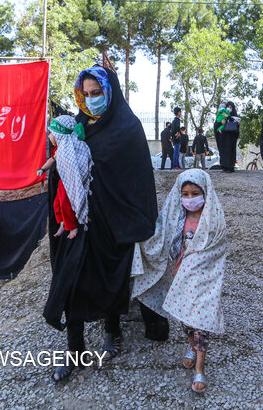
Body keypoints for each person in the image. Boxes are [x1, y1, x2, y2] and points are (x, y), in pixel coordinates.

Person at [43, 65, 159, 382]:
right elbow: (64, 162)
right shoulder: (78, 125)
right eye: (87, 94)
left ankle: (112, 330)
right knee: (70, 280)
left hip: (110, 221)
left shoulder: (128, 127)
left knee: (109, 279)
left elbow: (136, 180)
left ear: (110, 92)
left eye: (98, 93)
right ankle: (74, 349)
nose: (92, 99)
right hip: (76, 223)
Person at [132, 169, 227, 394]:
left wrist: (196, 263)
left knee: (201, 324)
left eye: (196, 193)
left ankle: (200, 370)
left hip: (204, 281)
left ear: (206, 193)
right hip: (180, 278)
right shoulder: (176, 218)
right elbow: (159, 239)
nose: (190, 198)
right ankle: (192, 348)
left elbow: (217, 251)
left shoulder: (213, 221)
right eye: (185, 193)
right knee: (186, 321)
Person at [48, 114, 94, 240]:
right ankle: (62, 223)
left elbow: (77, 168)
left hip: (69, 182)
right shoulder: (63, 148)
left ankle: (72, 226)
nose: (49, 136)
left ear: (60, 134)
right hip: (64, 181)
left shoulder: (71, 147)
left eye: (51, 133)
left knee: (64, 203)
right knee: (57, 203)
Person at [219, 101, 239, 173]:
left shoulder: (234, 116)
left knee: (231, 151)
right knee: (224, 151)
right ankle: (224, 166)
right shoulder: (222, 115)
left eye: (231, 107)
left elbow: (237, 126)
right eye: (228, 107)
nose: (229, 109)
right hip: (224, 137)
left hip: (232, 137)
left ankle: (230, 166)